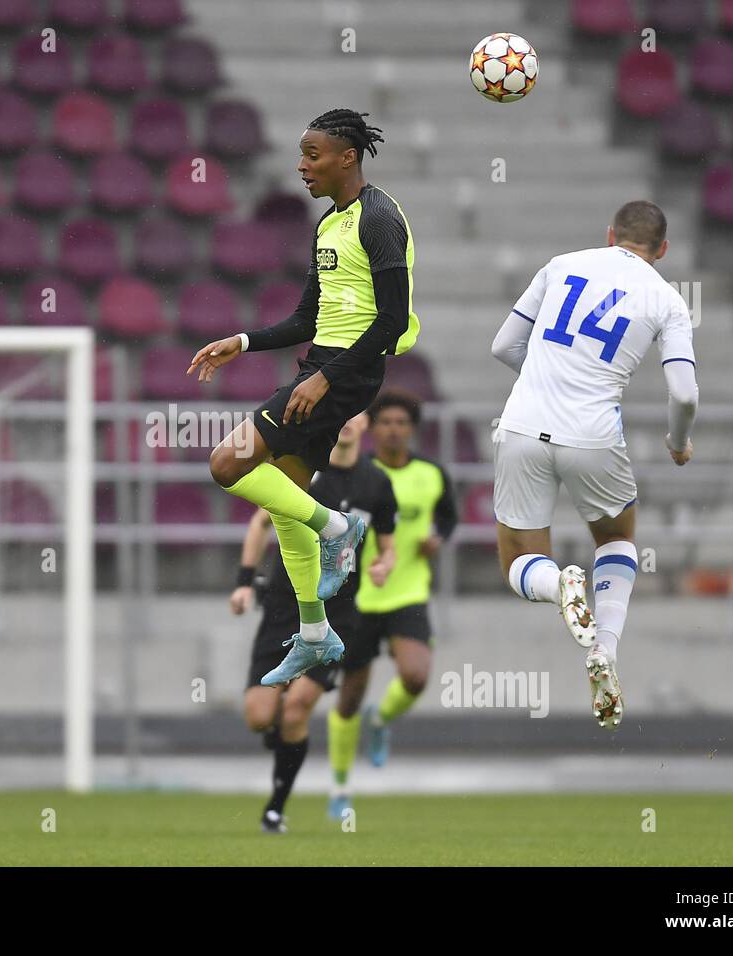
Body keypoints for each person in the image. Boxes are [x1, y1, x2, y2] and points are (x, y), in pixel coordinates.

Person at [190, 107, 421, 687]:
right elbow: (305, 318)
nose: (301, 167)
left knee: (227, 463)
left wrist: (326, 377)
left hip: (346, 372)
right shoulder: (328, 224)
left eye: (312, 155)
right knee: (282, 499)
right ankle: (316, 634)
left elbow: (392, 321)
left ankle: (340, 530)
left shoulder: (380, 219)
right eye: (301, 155)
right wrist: (242, 342)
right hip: (323, 364)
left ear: (349, 157)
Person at [489, 200, 699, 729]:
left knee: (518, 560)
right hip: (594, 434)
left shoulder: (561, 265)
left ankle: (558, 584)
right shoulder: (667, 300)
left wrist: (542, 382)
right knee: (616, 540)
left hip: (521, 424)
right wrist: (678, 441)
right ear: (663, 249)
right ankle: (604, 648)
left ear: (610, 235)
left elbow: (503, 345)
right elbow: (685, 392)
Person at [231, 411, 397, 833]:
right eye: (344, 412)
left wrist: (382, 565)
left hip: (338, 609)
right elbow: (260, 521)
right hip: (285, 603)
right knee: (257, 715)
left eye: (356, 413)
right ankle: (280, 731)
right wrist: (245, 582)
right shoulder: (304, 467)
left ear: (365, 424)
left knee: (298, 709)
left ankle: (275, 807)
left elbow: (387, 546)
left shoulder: (377, 484)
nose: (346, 420)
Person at [328, 390, 458, 819]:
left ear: (413, 428)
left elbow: (448, 517)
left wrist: (437, 538)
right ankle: (340, 788)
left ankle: (381, 721)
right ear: (372, 427)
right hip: (358, 598)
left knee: (416, 675)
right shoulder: (356, 475)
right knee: (349, 696)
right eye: (385, 422)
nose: (393, 429)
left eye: (402, 422)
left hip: (408, 593)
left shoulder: (432, 474)